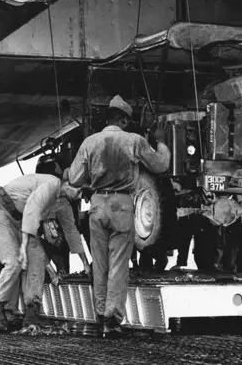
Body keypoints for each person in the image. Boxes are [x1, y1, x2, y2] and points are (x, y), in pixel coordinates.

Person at [69, 95, 170, 338]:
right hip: (122, 205)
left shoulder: (90, 142)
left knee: (100, 264)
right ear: (124, 120)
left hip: (97, 205)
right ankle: (111, 322)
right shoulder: (133, 140)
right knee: (117, 266)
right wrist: (162, 142)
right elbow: (160, 165)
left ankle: (101, 314)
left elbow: (74, 179)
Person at [0, 171, 89, 331]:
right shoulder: (52, 184)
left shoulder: (63, 203)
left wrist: (84, 262)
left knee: (38, 258)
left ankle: (31, 313)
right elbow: (32, 208)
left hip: (21, 221)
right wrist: (23, 248)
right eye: (79, 191)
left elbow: (71, 231)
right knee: (14, 261)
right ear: (68, 184)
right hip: (1, 212)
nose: (80, 196)